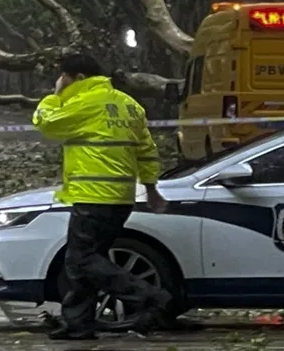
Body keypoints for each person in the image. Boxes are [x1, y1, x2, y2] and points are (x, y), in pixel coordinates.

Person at [32, 52, 176, 340]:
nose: (60, 82)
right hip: (121, 197)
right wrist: (150, 187)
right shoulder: (129, 105)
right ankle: (79, 324)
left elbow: (47, 123)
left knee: (81, 259)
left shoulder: (86, 103)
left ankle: (148, 296)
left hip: (94, 194)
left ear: (80, 78)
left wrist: (53, 97)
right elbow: (146, 150)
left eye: (64, 77)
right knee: (88, 260)